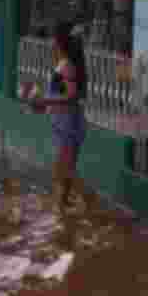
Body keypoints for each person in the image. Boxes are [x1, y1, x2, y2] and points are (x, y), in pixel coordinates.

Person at [27, 21, 88, 213]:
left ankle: (74, 205)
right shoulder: (65, 64)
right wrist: (42, 103)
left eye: (53, 39)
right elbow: (61, 95)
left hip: (68, 123)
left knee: (63, 170)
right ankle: (64, 208)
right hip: (65, 121)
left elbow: (71, 95)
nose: (51, 43)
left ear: (59, 42)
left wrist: (43, 99)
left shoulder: (67, 66)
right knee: (64, 170)